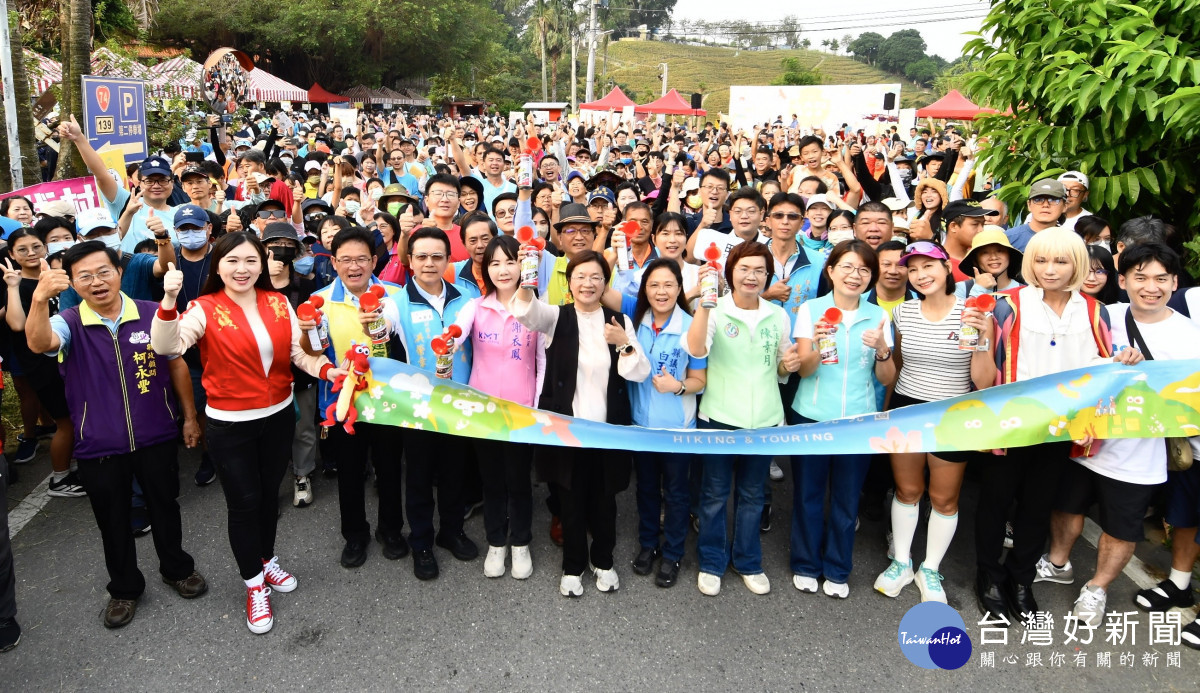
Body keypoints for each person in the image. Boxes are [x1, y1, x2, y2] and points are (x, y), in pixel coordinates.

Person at [152, 232, 343, 635]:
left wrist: (328, 371)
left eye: (251, 261)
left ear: (263, 263)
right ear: (217, 265)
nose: (242, 269)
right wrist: (168, 301)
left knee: (267, 497)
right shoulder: (203, 308)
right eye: (233, 261)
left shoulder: (278, 302)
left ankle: (266, 560)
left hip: (277, 417)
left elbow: (297, 353)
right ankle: (254, 586)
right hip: (229, 424)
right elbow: (168, 346)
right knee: (244, 503)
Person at [24, 241, 209, 628]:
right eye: (85, 276)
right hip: (98, 444)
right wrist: (40, 298)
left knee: (165, 506)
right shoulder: (69, 322)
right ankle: (124, 589)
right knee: (113, 519)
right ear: (73, 283)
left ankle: (177, 569)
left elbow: (176, 365)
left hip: (156, 433)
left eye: (103, 271)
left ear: (119, 272)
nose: (96, 282)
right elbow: (39, 342)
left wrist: (189, 417)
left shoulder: (151, 314)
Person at [971, 227, 1142, 626]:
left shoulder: (1094, 311)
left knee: (1038, 506)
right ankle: (988, 576)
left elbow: (1100, 374)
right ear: (1030, 262)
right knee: (996, 502)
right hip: (1009, 423)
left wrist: (1124, 362)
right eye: (1042, 260)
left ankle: (1020, 578)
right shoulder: (1006, 305)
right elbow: (982, 380)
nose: (1050, 269)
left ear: (1077, 265)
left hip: (1061, 428)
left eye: (1061, 261)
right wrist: (980, 339)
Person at [1035, 243, 1196, 629]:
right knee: (1067, 507)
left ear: (1175, 282)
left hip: (1140, 454)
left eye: (1161, 278)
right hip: (1087, 440)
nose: (1150, 287)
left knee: (1121, 527)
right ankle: (1058, 563)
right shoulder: (1104, 315)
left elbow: (1189, 402)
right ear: (1122, 281)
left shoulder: (1190, 337)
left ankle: (1098, 588)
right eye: (1140, 277)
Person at [511, 249, 650, 597]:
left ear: (605, 283)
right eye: (580, 277)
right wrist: (527, 275)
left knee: (605, 503)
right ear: (569, 282)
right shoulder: (556, 316)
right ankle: (572, 567)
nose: (588, 284)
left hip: (606, 431)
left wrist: (625, 345)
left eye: (596, 277)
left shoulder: (618, 321)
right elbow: (524, 311)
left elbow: (638, 373)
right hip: (567, 431)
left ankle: (603, 561)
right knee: (569, 503)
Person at [872, 241, 993, 604]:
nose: (921, 275)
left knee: (944, 498)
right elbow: (892, 372)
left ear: (947, 269)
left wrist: (983, 340)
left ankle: (930, 568)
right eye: (913, 270)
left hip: (954, 414)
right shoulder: (904, 313)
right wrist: (881, 350)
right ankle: (901, 562)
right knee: (907, 491)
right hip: (908, 408)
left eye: (929, 266)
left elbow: (984, 381)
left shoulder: (972, 313)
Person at [784, 240, 896, 599]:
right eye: (846, 267)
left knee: (847, 499)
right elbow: (804, 370)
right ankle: (805, 563)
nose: (855, 275)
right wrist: (816, 343)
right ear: (830, 270)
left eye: (864, 270)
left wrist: (881, 349)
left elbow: (886, 378)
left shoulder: (879, 316)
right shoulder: (810, 310)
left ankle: (837, 568)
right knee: (808, 495)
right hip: (813, 416)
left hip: (858, 422)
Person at [686, 242, 791, 597]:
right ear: (729, 272)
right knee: (714, 494)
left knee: (752, 495)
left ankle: (747, 560)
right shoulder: (716, 309)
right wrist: (703, 305)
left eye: (760, 270)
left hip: (764, 418)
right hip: (718, 415)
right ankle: (712, 561)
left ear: (768, 276)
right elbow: (697, 350)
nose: (752, 276)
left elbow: (779, 365)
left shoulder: (778, 315)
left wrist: (787, 365)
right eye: (744, 268)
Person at [308, 226, 408, 569]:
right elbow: (309, 353)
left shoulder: (394, 295)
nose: (354, 267)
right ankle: (354, 534)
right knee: (350, 472)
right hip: (342, 403)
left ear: (374, 260)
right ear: (333, 262)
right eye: (346, 260)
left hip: (388, 402)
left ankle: (391, 530)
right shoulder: (318, 302)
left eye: (362, 259)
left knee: (390, 468)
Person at [450, 235, 543, 580]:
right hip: (484, 410)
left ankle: (520, 542)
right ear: (485, 269)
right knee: (492, 481)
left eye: (510, 261)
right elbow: (454, 335)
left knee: (519, 479)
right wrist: (447, 339)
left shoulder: (536, 307)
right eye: (495, 263)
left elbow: (543, 361)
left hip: (522, 411)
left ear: (524, 266)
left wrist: (538, 406)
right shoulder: (475, 306)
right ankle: (496, 542)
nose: (503, 270)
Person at [390, 227, 479, 580]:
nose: (429, 263)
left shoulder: (466, 296)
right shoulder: (394, 302)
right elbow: (380, 333)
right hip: (419, 407)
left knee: (455, 471)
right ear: (410, 260)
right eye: (422, 256)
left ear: (448, 260)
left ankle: (452, 531)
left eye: (437, 256)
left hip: (459, 401)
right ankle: (422, 542)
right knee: (420, 476)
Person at [620, 259, 706, 588]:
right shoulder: (635, 321)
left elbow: (700, 379)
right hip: (640, 426)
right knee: (645, 488)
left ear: (680, 289)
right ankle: (648, 544)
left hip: (677, 431)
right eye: (654, 285)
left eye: (669, 284)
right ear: (644, 290)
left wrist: (679, 386)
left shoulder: (691, 325)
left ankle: (672, 553)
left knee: (676, 493)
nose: (661, 291)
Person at [2, 230, 80, 497]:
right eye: (22, 249)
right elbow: (17, 324)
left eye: (36, 246)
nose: (31, 252)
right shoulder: (15, 285)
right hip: (42, 367)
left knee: (75, 418)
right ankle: (59, 479)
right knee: (66, 423)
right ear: (11, 254)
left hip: (67, 361)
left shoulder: (56, 275)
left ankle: (75, 467)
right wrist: (12, 286)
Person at [956, 228, 1023, 300]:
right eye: (985, 252)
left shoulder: (1024, 291)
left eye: (1000, 251)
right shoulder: (962, 289)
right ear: (975, 260)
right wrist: (978, 289)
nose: (993, 257)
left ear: (1010, 256)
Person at [1005, 179, 1067, 252]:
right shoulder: (1007, 239)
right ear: (1029, 205)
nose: (1046, 205)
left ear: (1064, 207)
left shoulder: (1073, 241)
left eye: (1053, 199)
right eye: (1038, 200)